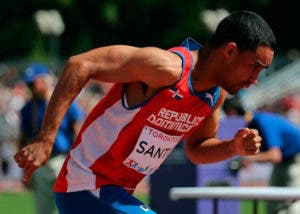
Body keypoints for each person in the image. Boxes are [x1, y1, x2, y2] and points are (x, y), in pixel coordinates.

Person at [14, 10, 276, 214]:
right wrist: (46, 138)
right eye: (255, 67)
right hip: (85, 184)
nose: (255, 79)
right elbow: (80, 64)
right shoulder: (165, 68)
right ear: (230, 51)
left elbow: (197, 148)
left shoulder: (214, 97)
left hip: (116, 194)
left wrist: (233, 147)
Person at [19, 63, 85, 214]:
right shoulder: (28, 108)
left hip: (62, 160)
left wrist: (78, 161)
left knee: (71, 208)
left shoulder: (64, 101)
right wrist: (25, 171)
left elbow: (77, 129)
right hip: (40, 165)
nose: (30, 87)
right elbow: (23, 139)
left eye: (33, 83)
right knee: (43, 211)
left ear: (44, 80)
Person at [223, 97, 300, 214]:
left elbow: (275, 155)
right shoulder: (255, 122)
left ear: (232, 112)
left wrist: (248, 159)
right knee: (273, 202)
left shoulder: (261, 121)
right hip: (286, 160)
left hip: (295, 158)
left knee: (291, 203)